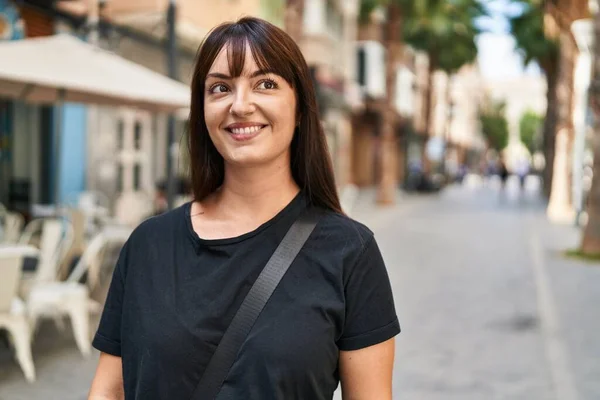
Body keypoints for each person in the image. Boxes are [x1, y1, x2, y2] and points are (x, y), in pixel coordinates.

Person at [88, 17, 400, 400]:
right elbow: (107, 390)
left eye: (265, 84)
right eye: (220, 88)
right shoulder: (147, 245)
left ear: (301, 107)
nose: (240, 105)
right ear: (203, 111)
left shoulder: (350, 252)